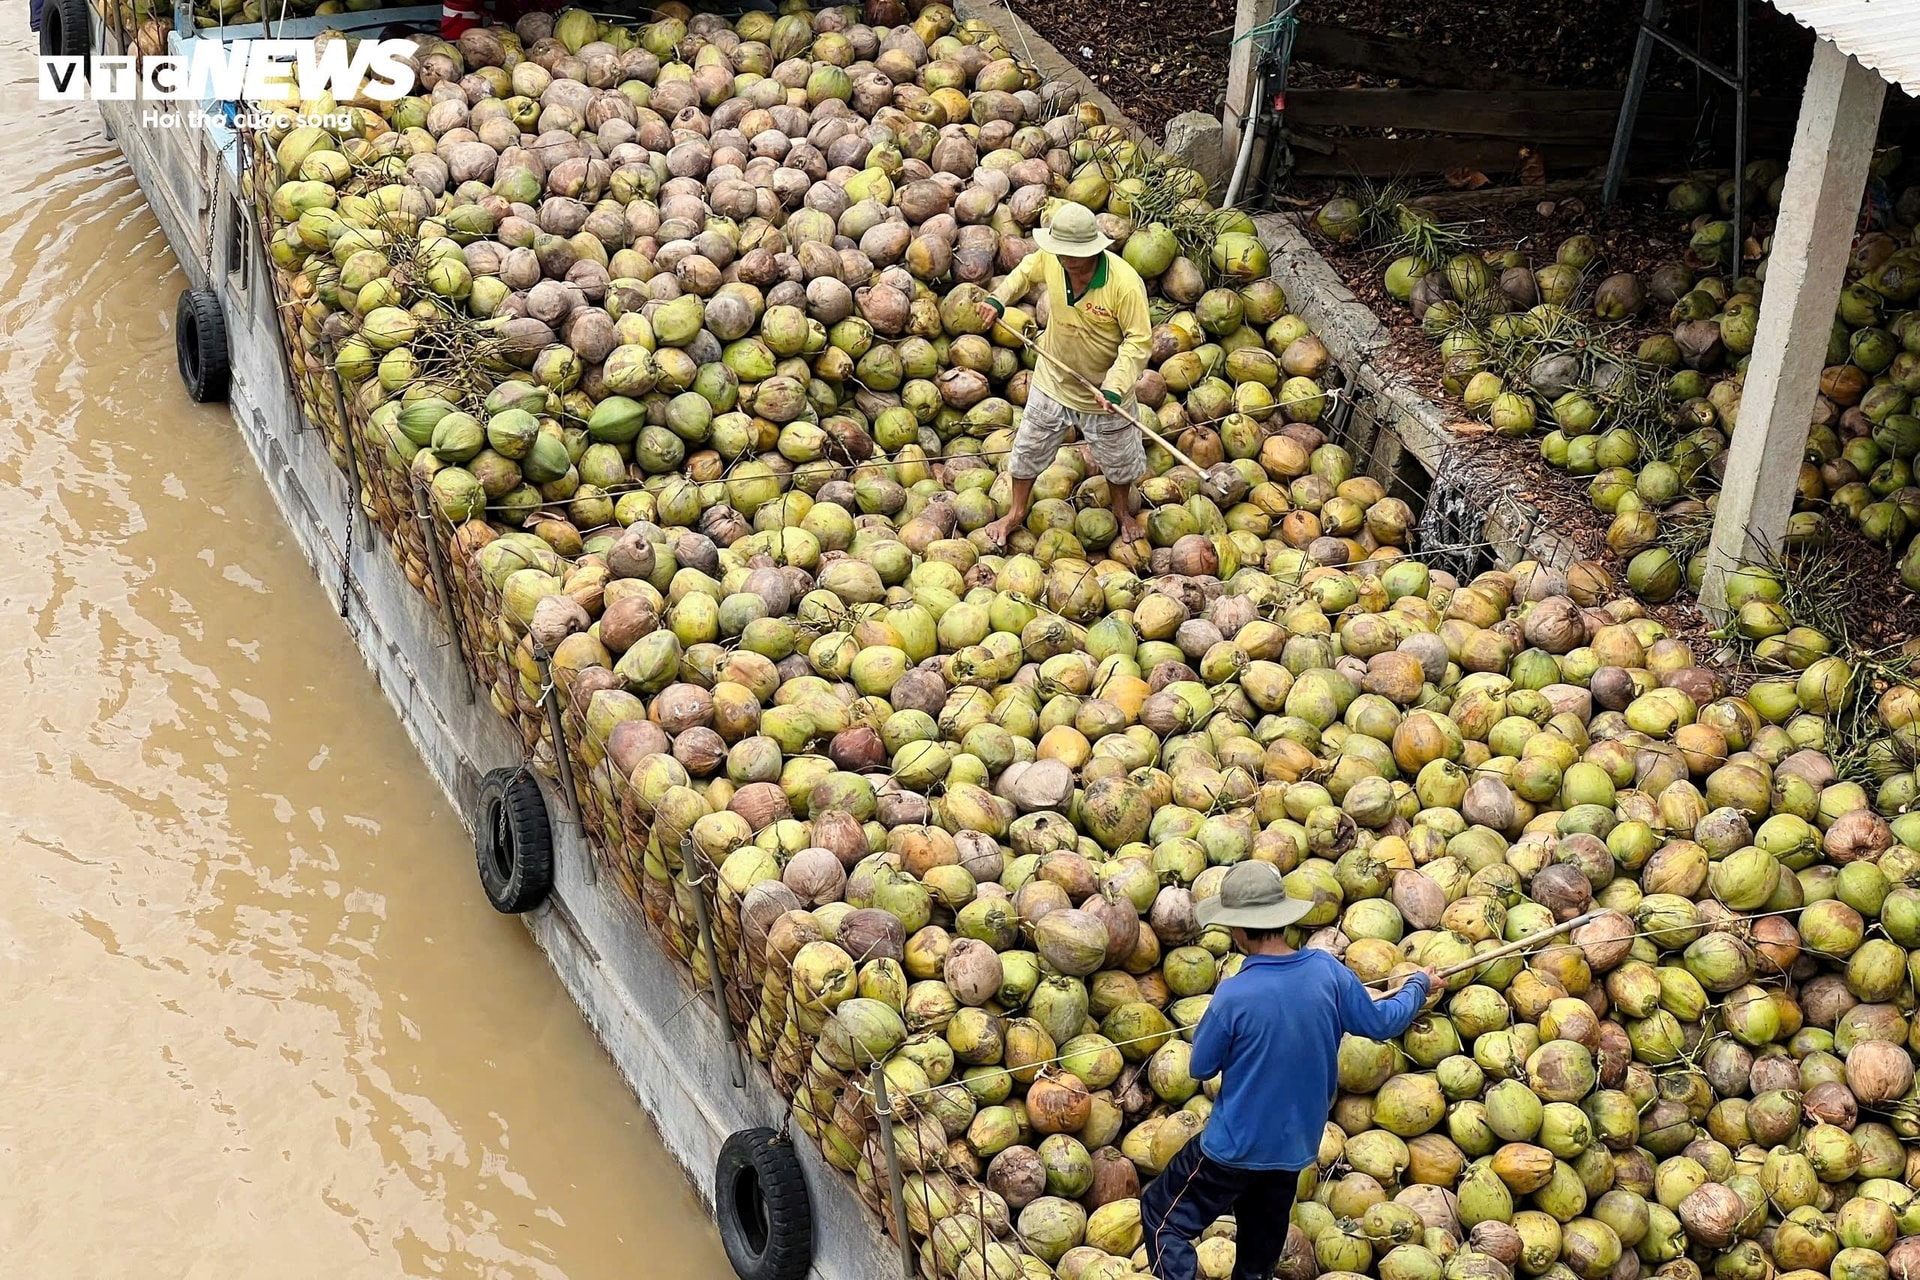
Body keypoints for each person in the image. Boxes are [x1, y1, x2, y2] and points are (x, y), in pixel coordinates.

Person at [1141, 861, 1439, 1280]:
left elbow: (1200, 1066)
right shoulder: (1327, 971)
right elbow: (1382, 1023)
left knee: (1162, 1217)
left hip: (1233, 1149)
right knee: (1257, 1264)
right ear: (1281, 919)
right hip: (1291, 1153)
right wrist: (1417, 985)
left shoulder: (1233, 994)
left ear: (1239, 930)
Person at [973, 202, 1153, 548]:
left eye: (1073, 254)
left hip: (1103, 393)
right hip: (1052, 379)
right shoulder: (1052, 260)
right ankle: (1015, 513)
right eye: (1060, 252)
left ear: (1093, 250)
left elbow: (1138, 342)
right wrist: (998, 300)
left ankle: (1121, 512)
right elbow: (1026, 271)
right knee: (1026, 451)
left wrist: (1114, 387)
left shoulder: (1125, 284)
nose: (1064, 259)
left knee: (1119, 461)